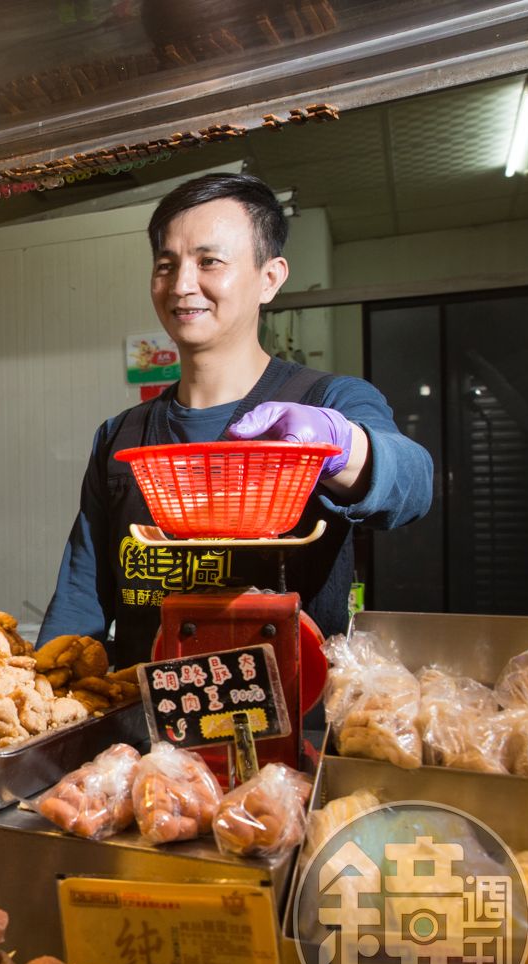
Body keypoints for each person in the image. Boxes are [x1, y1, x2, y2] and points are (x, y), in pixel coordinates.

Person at [39, 173, 433, 667]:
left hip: (290, 708)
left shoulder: (330, 400)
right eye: (166, 265)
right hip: (147, 711)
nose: (182, 285)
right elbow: (81, 595)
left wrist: (341, 446)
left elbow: (413, 485)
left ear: (270, 278)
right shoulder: (121, 435)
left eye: (209, 262)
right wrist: (48, 684)